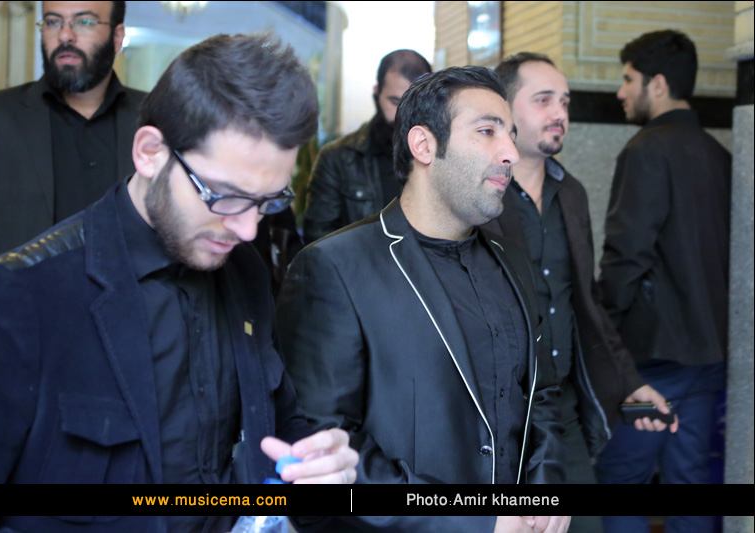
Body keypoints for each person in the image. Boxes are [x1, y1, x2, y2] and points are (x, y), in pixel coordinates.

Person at [0, 33, 358, 533]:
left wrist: (319, 469)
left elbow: (276, 426)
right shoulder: (17, 294)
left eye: (267, 201)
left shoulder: (247, 272)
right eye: (225, 196)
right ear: (150, 153)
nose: (248, 230)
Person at [276, 65, 569, 533]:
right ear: (424, 145)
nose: (511, 153)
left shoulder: (511, 261)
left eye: (511, 135)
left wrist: (547, 484)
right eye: (487, 131)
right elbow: (324, 447)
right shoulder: (334, 268)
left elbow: (542, 393)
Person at [489, 52, 678, 533]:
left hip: (562, 410)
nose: (560, 113)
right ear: (505, 109)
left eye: (566, 102)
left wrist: (629, 382)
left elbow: (585, 302)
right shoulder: (480, 196)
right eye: (544, 100)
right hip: (496, 415)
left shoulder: (570, 192)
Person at [595, 30, 731, 533]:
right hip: (709, 355)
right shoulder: (720, 156)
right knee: (689, 483)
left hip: (652, 361)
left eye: (628, 79)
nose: (621, 92)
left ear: (657, 83)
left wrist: (603, 332)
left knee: (620, 477)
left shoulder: (646, 150)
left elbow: (626, 256)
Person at [0, 1, 147, 284]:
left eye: (84, 22)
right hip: (14, 309)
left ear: (117, 36)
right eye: (53, 21)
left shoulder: (157, 121)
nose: (65, 35)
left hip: (132, 308)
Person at [302, 49, 431, 243]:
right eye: (395, 102)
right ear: (377, 93)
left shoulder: (441, 155)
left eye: (414, 104)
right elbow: (319, 243)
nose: (403, 114)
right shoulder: (338, 158)